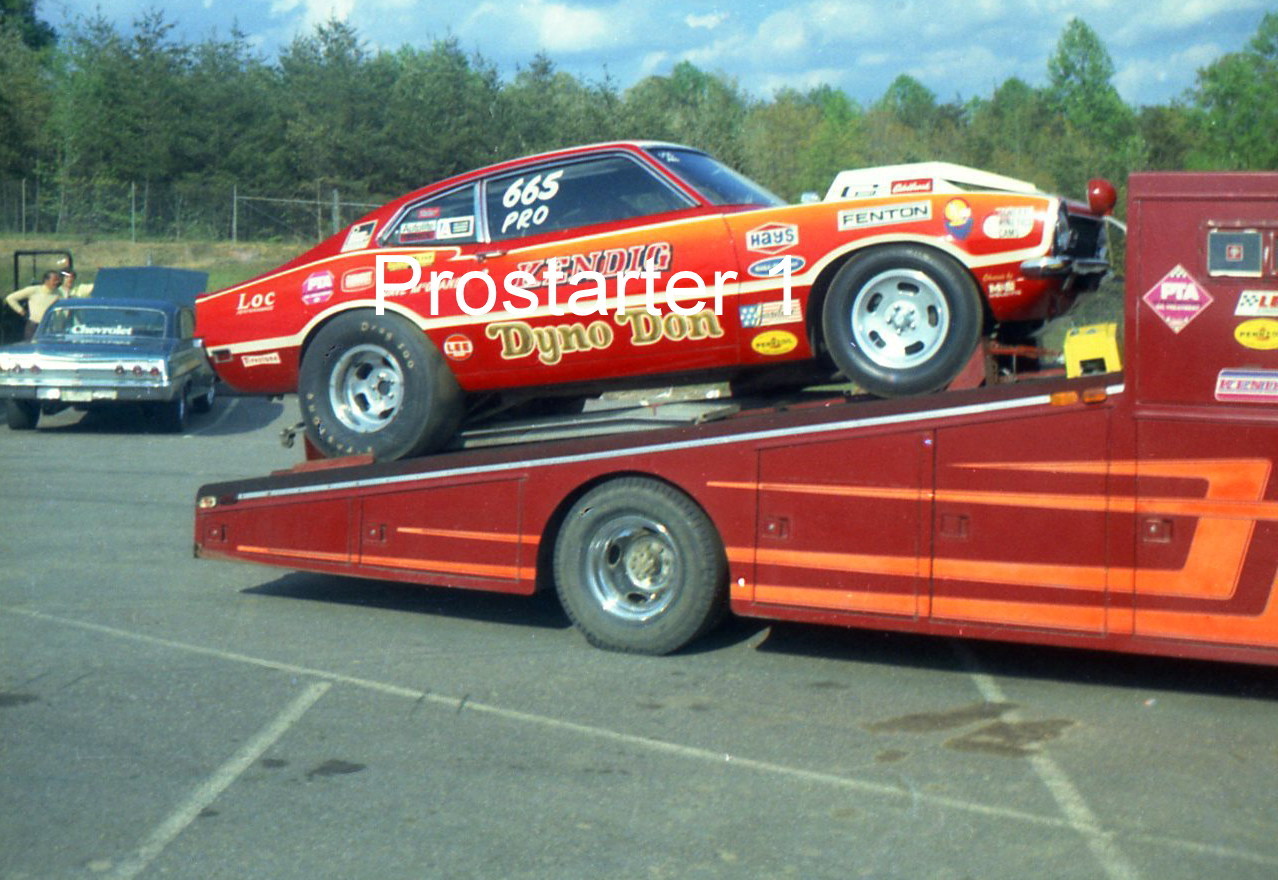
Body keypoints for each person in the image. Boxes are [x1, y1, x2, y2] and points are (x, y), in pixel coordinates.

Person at [5, 270, 64, 341]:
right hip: (34, 326)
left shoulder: (59, 293)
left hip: (51, 327)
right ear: (46, 281)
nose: (57, 283)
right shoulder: (34, 290)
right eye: (54, 280)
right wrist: (21, 311)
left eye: (58, 280)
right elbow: (10, 298)